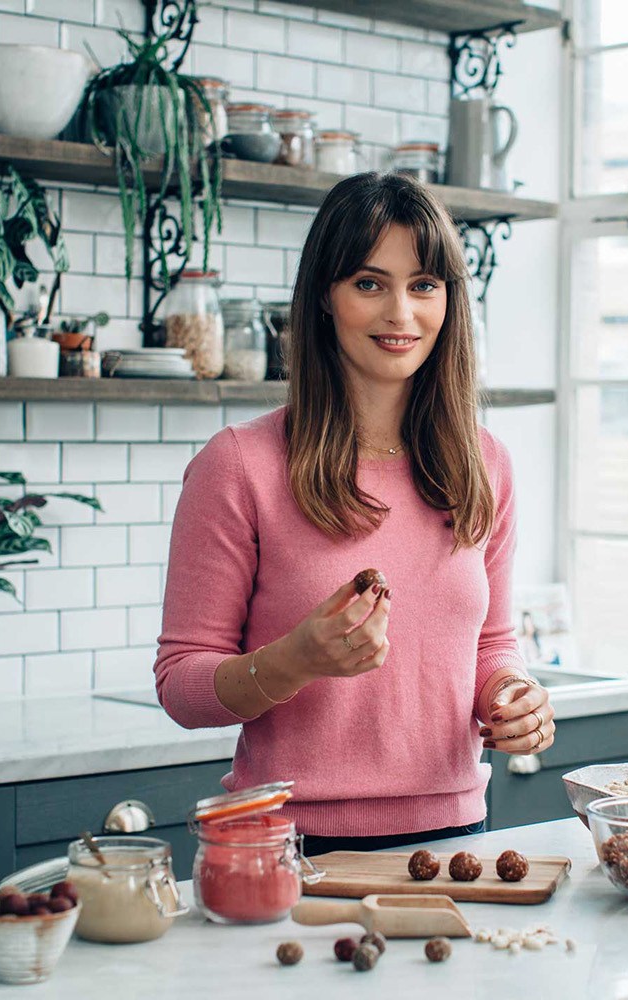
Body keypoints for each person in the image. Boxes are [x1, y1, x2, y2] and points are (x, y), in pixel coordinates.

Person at [154, 172, 554, 856]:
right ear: (324, 299)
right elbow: (182, 683)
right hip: (289, 846)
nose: (401, 312)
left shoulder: (486, 464)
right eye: (370, 284)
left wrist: (512, 693)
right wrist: (294, 660)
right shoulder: (238, 466)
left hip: (456, 837)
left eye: (424, 285)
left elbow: (489, 641)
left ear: (450, 302)